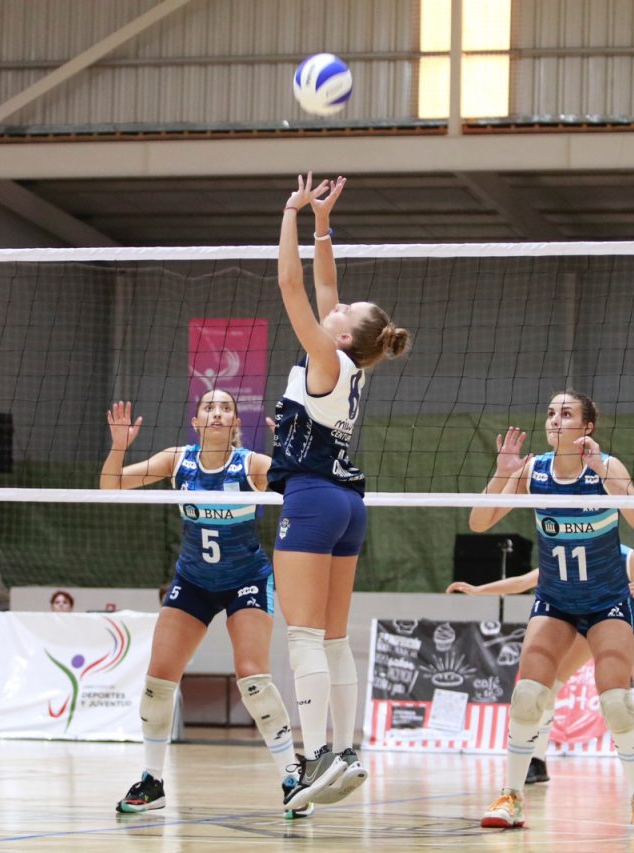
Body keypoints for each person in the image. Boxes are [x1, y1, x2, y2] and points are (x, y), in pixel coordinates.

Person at [271, 173, 410, 812]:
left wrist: (290, 213)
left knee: (303, 636)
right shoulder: (348, 362)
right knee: (332, 637)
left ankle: (316, 757)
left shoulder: (326, 357)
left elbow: (292, 286)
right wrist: (323, 225)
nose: (336, 306)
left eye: (343, 314)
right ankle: (347, 751)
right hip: (349, 504)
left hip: (313, 498)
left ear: (345, 336)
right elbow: (326, 289)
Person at [102, 390, 306, 817]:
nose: (217, 413)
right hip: (193, 580)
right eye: (208, 407)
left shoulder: (252, 465)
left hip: (246, 580)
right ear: (195, 421)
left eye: (226, 408)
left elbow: (305, 491)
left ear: (236, 423)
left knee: (253, 678)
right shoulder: (177, 460)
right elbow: (111, 486)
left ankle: (292, 779)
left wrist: (290, 450)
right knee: (158, 680)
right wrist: (119, 446)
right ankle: (152, 781)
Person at [468, 392, 634, 832]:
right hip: (555, 601)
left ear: (587, 427)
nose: (555, 420)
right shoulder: (533, 470)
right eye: (552, 413)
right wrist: (502, 473)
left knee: (616, 702)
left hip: (606, 602)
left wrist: (602, 471)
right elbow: (479, 522)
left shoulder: (607, 467)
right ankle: (512, 796)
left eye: (567, 414)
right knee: (526, 696)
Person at [448, 543, 634, 789]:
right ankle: (538, 760)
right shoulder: (568, 550)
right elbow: (525, 581)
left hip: (630, 621)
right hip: (591, 622)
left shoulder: (625, 556)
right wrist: (478, 590)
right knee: (548, 687)